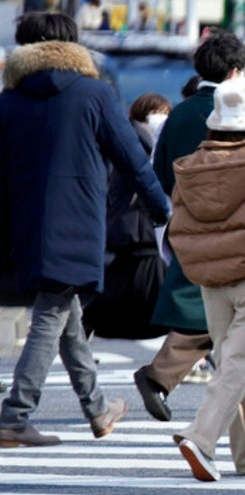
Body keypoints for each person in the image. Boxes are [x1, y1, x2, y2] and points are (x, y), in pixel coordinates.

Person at [0, 12, 170, 447]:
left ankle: (97, 409)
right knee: (53, 313)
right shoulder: (94, 93)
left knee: (66, 311)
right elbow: (133, 159)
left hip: (24, 222)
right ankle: (14, 416)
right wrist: (160, 208)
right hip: (77, 220)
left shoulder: (10, 100)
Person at [168, 77, 245, 481]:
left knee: (237, 363)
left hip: (209, 278)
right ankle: (201, 438)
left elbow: (179, 219)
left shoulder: (193, 165)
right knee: (240, 362)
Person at [134, 30, 245, 423]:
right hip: (234, 227)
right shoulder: (237, 109)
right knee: (243, 313)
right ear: (236, 72)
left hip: (188, 223)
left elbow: (159, 175)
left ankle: (163, 377)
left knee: (224, 314)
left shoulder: (179, 113)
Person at [82, 93, 172, 340]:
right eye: (160, 112)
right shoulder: (136, 139)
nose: (163, 118)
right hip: (138, 225)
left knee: (118, 287)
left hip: (132, 226)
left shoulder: (132, 135)